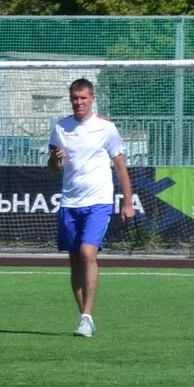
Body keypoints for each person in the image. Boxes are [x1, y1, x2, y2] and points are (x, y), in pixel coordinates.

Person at [48, 76, 139, 338]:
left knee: (89, 252)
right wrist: (55, 158)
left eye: (83, 98)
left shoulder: (106, 129)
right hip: (70, 202)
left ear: (92, 99)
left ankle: (87, 316)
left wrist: (128, 201)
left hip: (98, 200)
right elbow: (53, 168)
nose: (79, 103)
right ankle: (85, 318)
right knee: (75, 259)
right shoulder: (61, 128)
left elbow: (120, 165)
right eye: (75, 99)